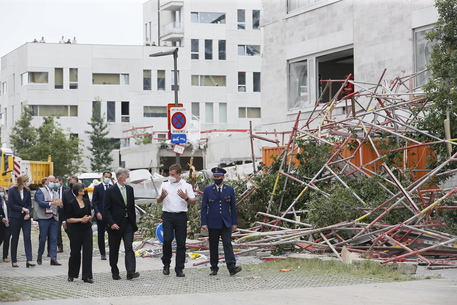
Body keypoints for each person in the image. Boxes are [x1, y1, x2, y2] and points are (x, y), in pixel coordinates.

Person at [156, 163, 196, 277]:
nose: (171, 176)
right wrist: (162, 196)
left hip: (181, 216)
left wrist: (186, 198)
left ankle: (179, 268)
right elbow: (158, 200)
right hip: (168, 215)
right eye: (170, 174)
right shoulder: (165, 184)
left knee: (181, 243)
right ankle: (166, 263)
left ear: (179, 175)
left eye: (173, 174)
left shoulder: (186, 185)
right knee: (167, 239)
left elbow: (193, 201)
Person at [201, 167, 242, 276]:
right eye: (215, 177)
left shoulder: (229, 189)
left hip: (226, 222)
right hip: (213, 222)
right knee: (213, 245)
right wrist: (204, 223)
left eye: (218, 177)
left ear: (223, 177)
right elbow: (204, 207)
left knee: (227, 244)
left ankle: (232, 267)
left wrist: (234, 223)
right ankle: (214, 267)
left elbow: (233, 207)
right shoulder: (208, 190)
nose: (216, 178)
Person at [104, 168, 139, 280]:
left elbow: (131, 206)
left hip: (128, 223)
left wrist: (134, 222)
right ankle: (114, 271)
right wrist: (111, 223)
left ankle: (130, 272)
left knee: (129, 247)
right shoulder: (110, 191)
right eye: (127, 176)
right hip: (115, 225)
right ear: (121, 178)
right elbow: (106, 209)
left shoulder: (129, 189)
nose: (129, 178)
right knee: (114, 249)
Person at [65, 183, 93, 283]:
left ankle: (87, 276)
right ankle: (72, 274)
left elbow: (90, 214)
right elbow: (69, 219)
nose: (84, 190)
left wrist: (87, 218)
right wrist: (81, 219)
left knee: (88, 252)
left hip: (87, 229)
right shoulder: (71, 203)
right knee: (75, 252)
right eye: (83, 189)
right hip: (75, 230)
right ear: (78, 191)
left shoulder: (86, 201)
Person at [34, 176, 63, 266]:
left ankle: (53, 258)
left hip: (54, 217)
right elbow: (40, 202)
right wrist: (51, 203)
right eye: (51, 181)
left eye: (54, 182)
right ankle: (40, 254)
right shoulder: (40, 191)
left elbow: (58, 205)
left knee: (53, 238)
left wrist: (60, 204)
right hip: (43, 217)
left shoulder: (55, 193)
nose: (53, 183)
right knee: (43, 238)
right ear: (46, 181)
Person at [7, 174, 34, 268]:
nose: (27, 183)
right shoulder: (12, 190)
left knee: (27, 237)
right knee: (15, 238)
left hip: (26, 218)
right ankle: (14, 260)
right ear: (22, 181)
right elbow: (11, 204)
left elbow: (30, 204)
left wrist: (28, 212)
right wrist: (23, 209)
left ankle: (29, 259)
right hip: (15, 217)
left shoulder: (27, 191)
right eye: (26, 181)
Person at [92, 170, 112, 260]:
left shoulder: (112, 187)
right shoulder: (98, 188)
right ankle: (102, 253)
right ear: (103, 177)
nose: (107, 178)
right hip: (100, 214)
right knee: (101, 234)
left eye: (108, 177)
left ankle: (112, 251)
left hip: (110, 215)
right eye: (105, 176)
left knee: (112, 234)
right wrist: (97, 212)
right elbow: (94, 201)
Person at [55, 176, 68, 253]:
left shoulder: (66, 190)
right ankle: (60, 246)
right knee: (57, 231)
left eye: (57, 182)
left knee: (68, 229)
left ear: (61, 181)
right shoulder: (54, 190)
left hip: (65, 211)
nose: (56, 184)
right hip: (57, 211)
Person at [0, 186, 11, 263]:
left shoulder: (6, 200)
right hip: (1, 222)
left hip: (7, 223)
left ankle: (5, 256)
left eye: (2, 191)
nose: (1, 193)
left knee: (7, 239)